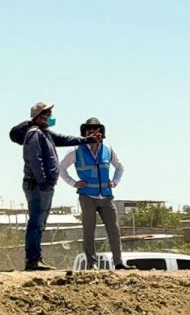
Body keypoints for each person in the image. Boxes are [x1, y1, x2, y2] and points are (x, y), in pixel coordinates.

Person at [19, 102, 96, 271]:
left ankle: (36, 258)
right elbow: (35, 160)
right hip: (37, 185)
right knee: (36, 222)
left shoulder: (44, 133)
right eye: (48, 114)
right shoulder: (34, 134)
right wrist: (43, 182)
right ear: (40, 116)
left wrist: (87, 140)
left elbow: (65, 139)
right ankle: (32, 260)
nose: (51, 117)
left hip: (42, 185)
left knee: (40, 222)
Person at [59, 117, 128, 270]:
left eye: (97, 130)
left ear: (102, 133)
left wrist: (115, 182)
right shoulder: (76, 151)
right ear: (85, 134)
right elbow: (61, 168)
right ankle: (92, 263)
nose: (94, 133)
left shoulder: (108, 150)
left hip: (106, 196)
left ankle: (118, 262)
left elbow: (120, 167)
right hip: (87, 196)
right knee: (89, 230)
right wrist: (73, 182)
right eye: (90, 130)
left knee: (114, 230)